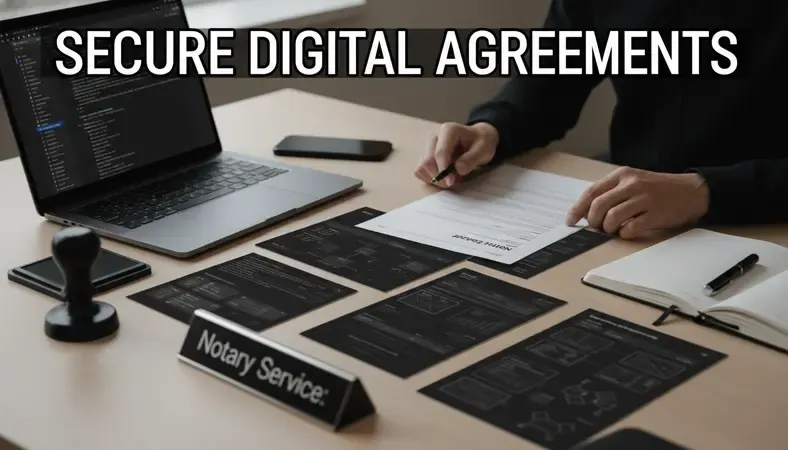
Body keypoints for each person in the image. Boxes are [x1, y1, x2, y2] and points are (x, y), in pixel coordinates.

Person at [414, 0, 788, 240]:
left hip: (761, 218)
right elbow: (552, 78)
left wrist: (705, 191)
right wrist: (491, 128)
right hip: (626, 210)